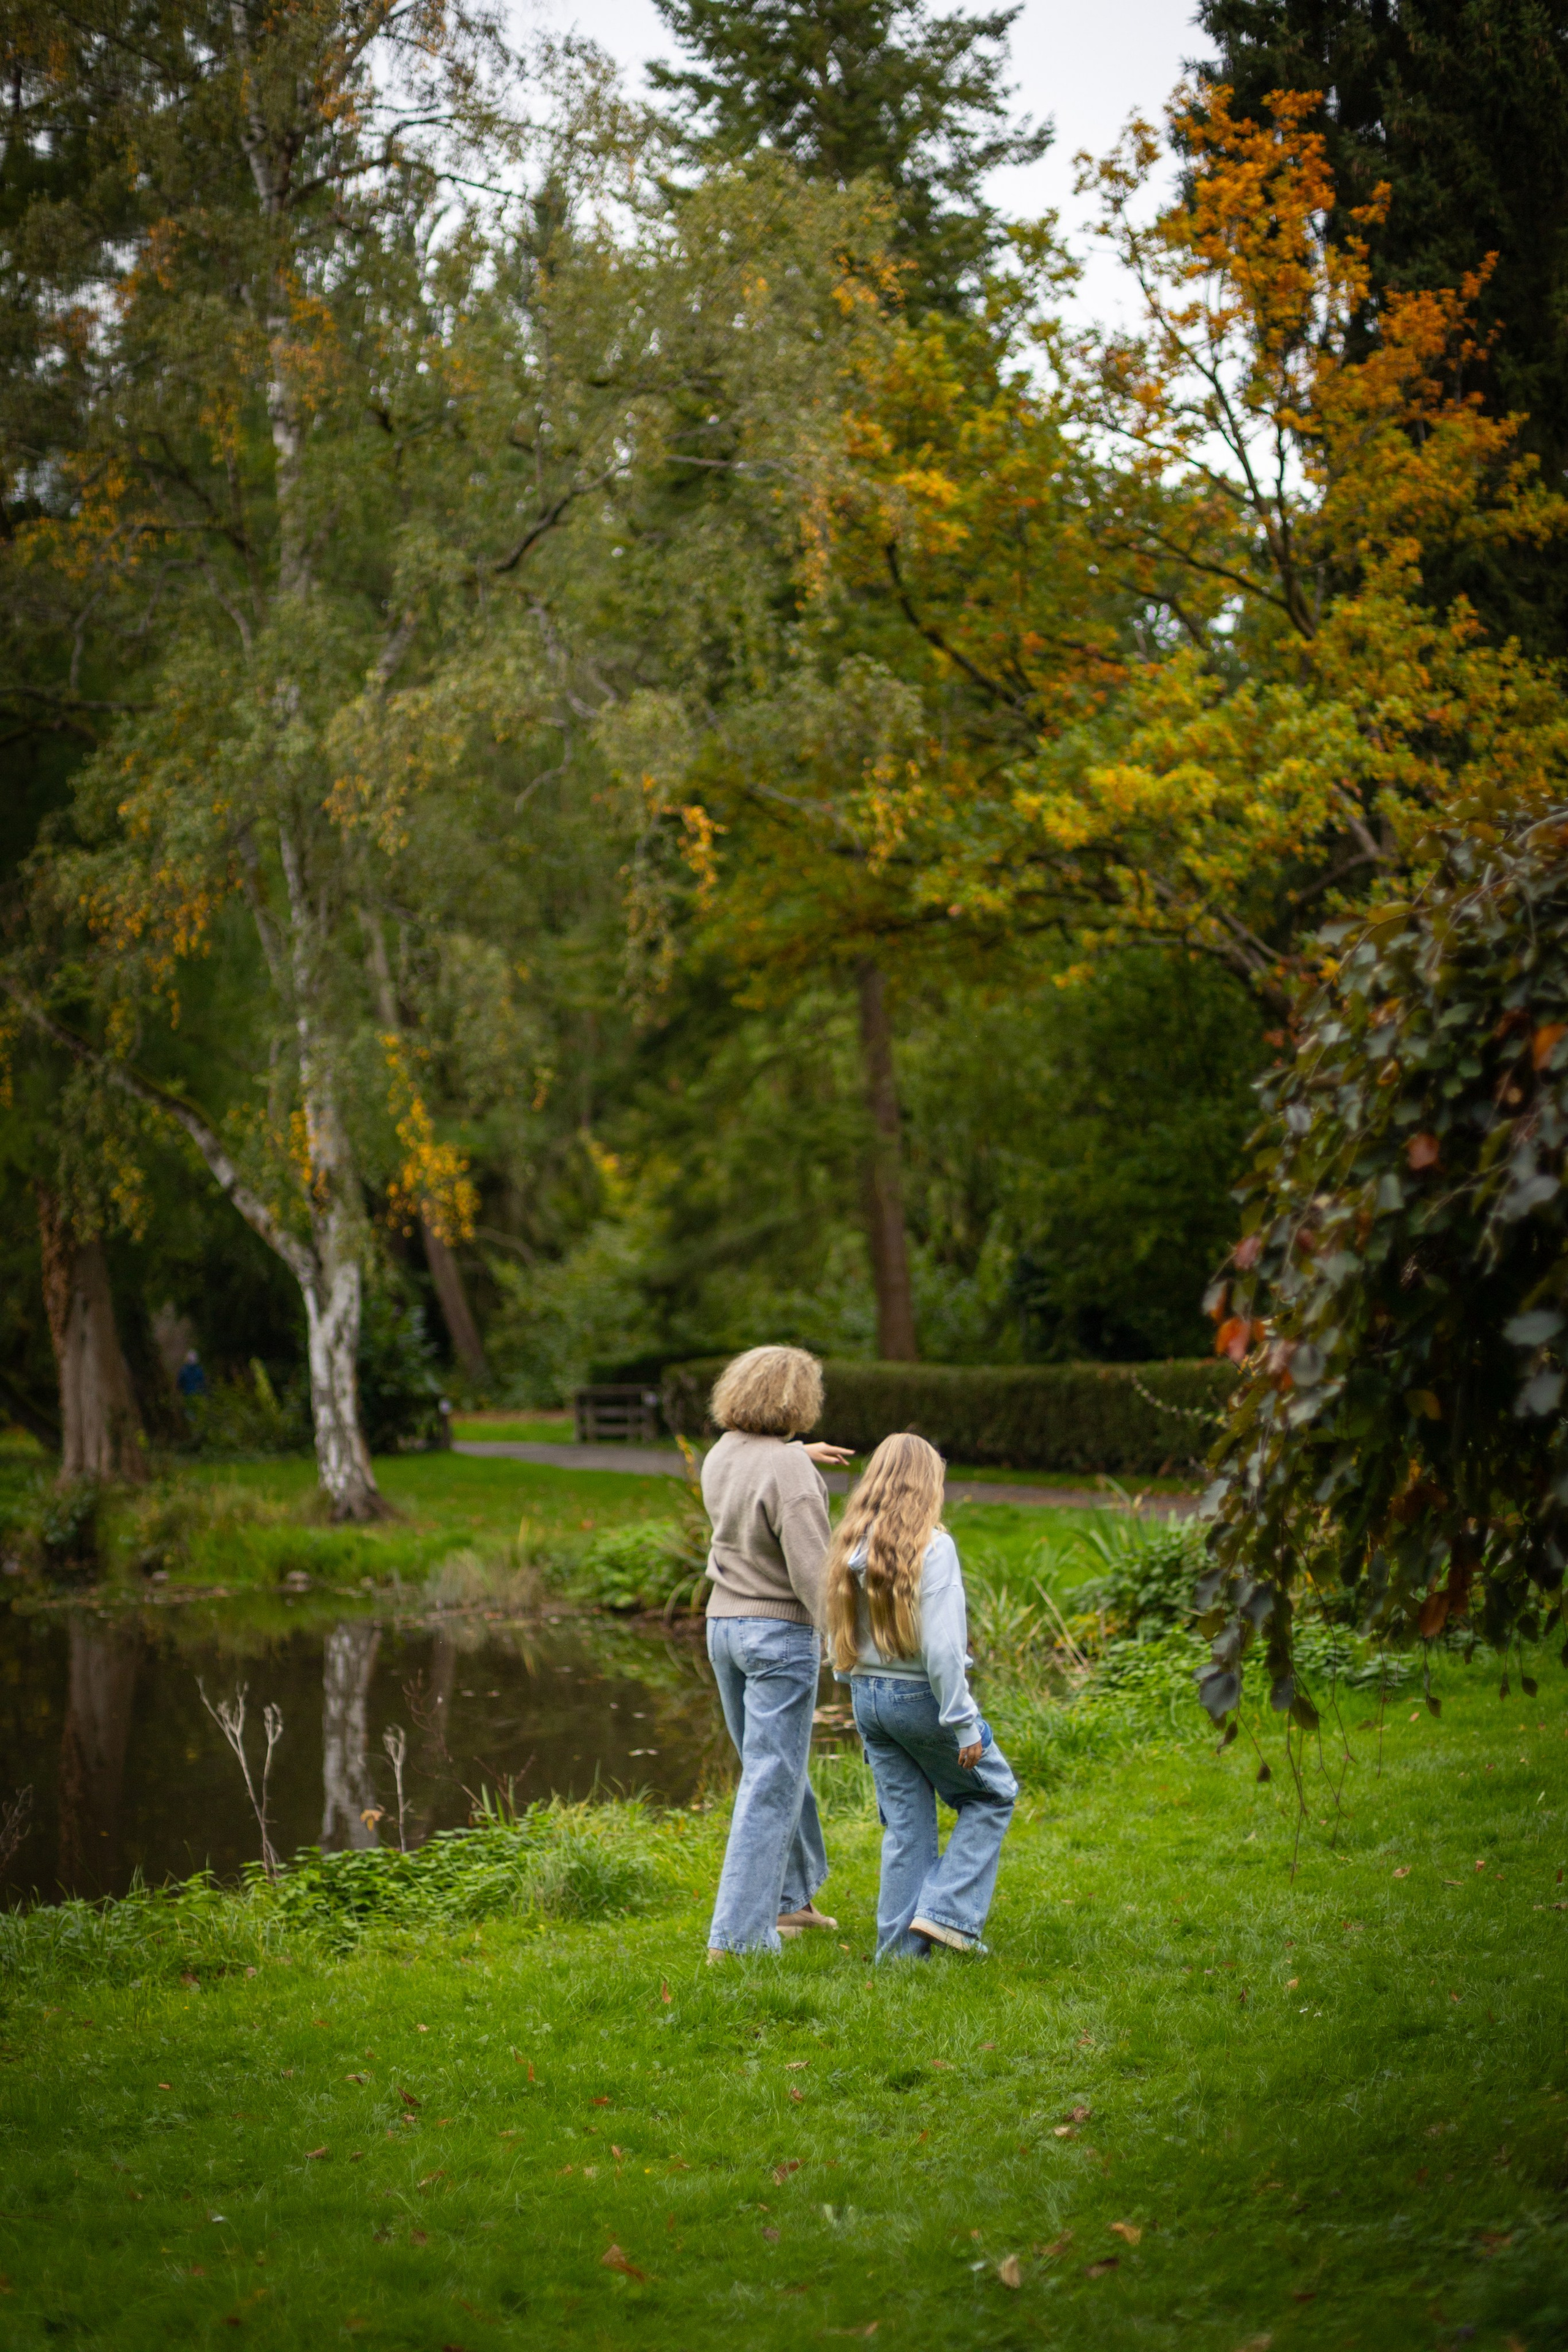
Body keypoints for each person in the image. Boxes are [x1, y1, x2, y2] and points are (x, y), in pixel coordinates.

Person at [825, 1431, 1016, 1961]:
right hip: (919, 1702)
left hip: (868, 1697)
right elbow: (944, 1649)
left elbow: (834, 1626)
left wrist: (851, 1683)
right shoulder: (933, 1546)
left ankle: (899, 1953)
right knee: (992, 1794)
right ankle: (944, 1915)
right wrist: (964, 1723)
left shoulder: (849, 1545)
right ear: (927, 1483)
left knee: (907, 1826)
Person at [700, 1344, 852, 1958]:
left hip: (724, 1631)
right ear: (798, 1400)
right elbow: (815, 1573)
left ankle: (789, 1902)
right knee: (772, 1778)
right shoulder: (787, 1469)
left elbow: (756, 1473)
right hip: (775, 1637)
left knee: (772, 1770)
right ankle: (737, 1940)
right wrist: (851, 1647)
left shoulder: (722, 1452)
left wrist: (795, 1458)